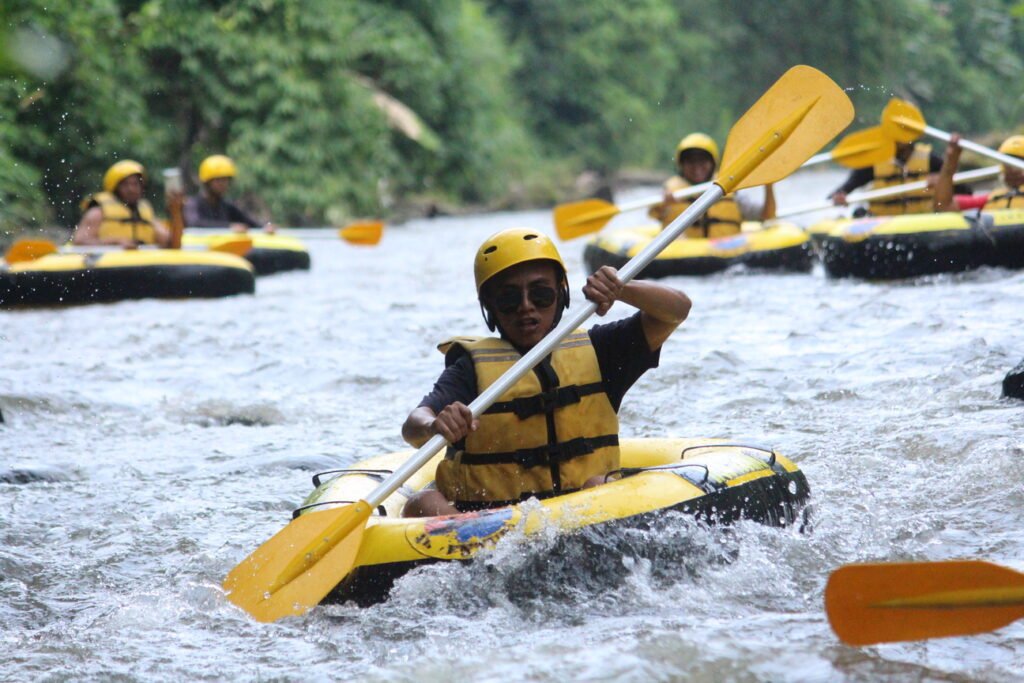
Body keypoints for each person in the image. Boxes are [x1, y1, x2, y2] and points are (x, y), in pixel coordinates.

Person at [401, 228, 691, 517]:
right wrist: (435, 425)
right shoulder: (470, 369)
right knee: (422, 503)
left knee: (597, 485)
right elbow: (414, 425)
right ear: (490, 307)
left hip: (585, 518)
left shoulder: (602, 351)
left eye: (540, 294)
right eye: (509, 299)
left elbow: (676, 310)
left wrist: (622, 288)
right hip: (487, 528)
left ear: (561, 293)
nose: (526, 307)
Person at [648, 133, 775, 238]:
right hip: (684, 259)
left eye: (702, 160)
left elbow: (767, 215)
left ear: (713, 163)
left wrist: (768, 186)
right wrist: (665, 204)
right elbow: (653, 213)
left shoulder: (728, 189)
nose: (696, 166)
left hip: (727, 257)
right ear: (682, 165)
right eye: (690, 160)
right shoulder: (672, 192)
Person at [829, 140, 945, 216]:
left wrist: (943, 183)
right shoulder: (873, 162)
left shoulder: (932, 161)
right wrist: (839, 196)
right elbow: (845, 188)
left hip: (923, 221)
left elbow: (960, 191)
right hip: (882, 224)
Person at [73, 160, 172, 247]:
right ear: (115, 188)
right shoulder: (97, 212)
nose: (131, 189)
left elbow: (169, 242)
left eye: (135, 184)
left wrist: (175, 210)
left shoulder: (147, 214)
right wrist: (115, 242)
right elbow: (79, 241)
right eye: (125, 184)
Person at [184, 155, 275, 233]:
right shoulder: (193, 204)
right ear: (207, 182)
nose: (223, 184)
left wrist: (265, 227)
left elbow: (249, 222)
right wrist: (228, 227)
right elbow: (194, 223)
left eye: (226, 180)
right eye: (218, 180)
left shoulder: (226, 206)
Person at [933, 134, 1024, 212]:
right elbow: (943, 205)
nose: (1013, 170)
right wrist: (951, 160)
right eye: (1008, 163)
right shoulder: (992, 198)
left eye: (1019, 162)